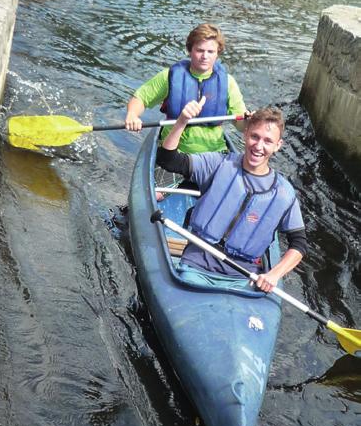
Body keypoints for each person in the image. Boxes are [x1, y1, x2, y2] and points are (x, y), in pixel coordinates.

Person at [156, 104, 307, 293]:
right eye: (254, 136)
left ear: (278, 146)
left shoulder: (284, 192)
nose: (259, 146)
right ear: (245, 135)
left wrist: (274, 274)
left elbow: (299, 243)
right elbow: (169, 160)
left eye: (268, 141)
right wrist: (182, 122)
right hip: (197, 266)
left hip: (246, 277)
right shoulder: (218, 164)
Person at [125, 23, 248, 154]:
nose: (205, 56)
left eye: (211, 51)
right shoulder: (169, 76)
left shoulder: (228, 82)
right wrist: (132, 114)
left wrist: (248, 122)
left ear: (217, 53)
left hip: (214, 153)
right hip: (174, 151)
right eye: (200, 50)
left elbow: (240, 125)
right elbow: (140, 98)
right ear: (190, 50)